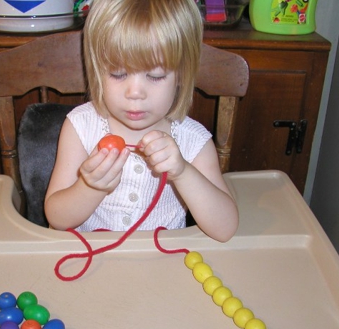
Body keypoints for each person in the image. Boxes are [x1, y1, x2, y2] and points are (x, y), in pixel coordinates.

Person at [44, 0, 239, 243]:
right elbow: (56, 218)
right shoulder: (81, 127)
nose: (135, 93)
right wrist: (91, 187)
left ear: (181, 74)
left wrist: (183, 173)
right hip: (90, 263)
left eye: (155, 76)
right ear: (97, 70)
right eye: (118, 74)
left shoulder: (193, 142)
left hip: (161, 267)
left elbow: (225, 229)